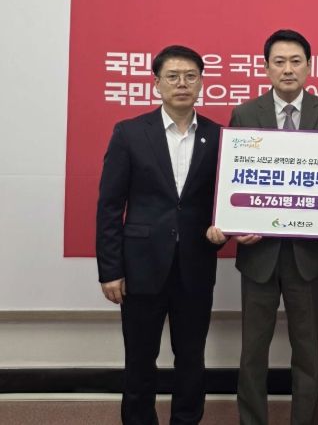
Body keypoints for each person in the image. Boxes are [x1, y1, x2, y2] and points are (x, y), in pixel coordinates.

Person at [207, 29, 318, 425]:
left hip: (308, 256)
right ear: (266, 68)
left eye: (296, 61)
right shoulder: (245, 114)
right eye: (279, 62)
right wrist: (235, 226)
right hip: (259, 254)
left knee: (308, 352)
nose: (288, 69)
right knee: (253, 352)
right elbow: (234, 178)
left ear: (309, 67)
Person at [96, 45, 224, 425]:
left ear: (201, 83)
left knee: (191, 358)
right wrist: (110, 270)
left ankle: (186, 420)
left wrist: (225, 232)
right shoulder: (130, 133)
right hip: (141, 268)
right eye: (173, 76)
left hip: (195, 266)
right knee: (139, 359)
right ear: (157, 84)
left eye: (190, 76)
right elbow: (109, 207)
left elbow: (225, 202)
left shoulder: (219, 136)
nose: (182, 83)